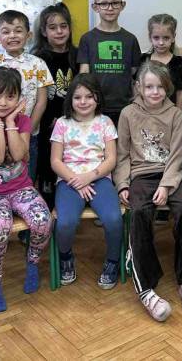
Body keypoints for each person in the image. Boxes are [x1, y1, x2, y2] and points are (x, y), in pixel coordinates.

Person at [116, 61, 182, 321]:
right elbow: (122, 154)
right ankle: (146, 288)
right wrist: (122, 184)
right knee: (139, 212)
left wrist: (166, 185)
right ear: (139, 87)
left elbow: (176, 155)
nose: (155, 92)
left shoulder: (174, 114)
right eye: (149, 87)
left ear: (167, 88)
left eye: (160, 87)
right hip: (140, 176)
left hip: (170, 174)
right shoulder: (128, 114)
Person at [0, 67, 52, 312]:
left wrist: (10, 123)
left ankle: (32, 263)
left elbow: (18, 154)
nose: (3, 103)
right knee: (0, 228)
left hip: (21, 188)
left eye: (10, 96)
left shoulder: (23, 122)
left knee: (43, 220)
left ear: (19, 99)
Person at [50, 74, 123, 289]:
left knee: (113, 219)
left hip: (99, 178)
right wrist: (76, 181)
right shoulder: (62, 123)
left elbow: (111, 159)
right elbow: (55, 161)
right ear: (70, 99)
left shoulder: (105, 122)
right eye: (77, 97)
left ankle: (113, 261)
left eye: (89, 96)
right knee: (65, 222)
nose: (83, 102)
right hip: (68, 180)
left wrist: (88, 177)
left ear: (97, 98)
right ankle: (65, 257)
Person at [0, 10, 53, 178]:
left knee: (25, 175)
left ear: (29, 35)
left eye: (18, 31)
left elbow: (41, 101)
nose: (12, 36)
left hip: (28, 133)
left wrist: (29, 129)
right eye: (6, 32)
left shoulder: (38, 64)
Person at [77, 0, 141, 126]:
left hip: (124, 107)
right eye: (104, 4)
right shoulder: (87, 39)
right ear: (95, 7)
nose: (110, 8)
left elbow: (134, 74)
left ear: (122, 5)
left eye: (115, 3)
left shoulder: (130, 39)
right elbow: (84, 74)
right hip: (95, 107)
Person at [34, 3, 79, 203]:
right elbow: (36, 97)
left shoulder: (78, 55)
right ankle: (47, 208)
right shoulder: (38, 59)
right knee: (47, 167)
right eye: (53, 28)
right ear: (44, 32)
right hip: (47, 126)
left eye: (63, 26)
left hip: (75, 122)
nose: (59, 31)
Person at [138, 14, 182, 112]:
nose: (161, 43)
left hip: (170, 115)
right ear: (150, 37)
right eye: (156, 38)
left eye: (166, 38)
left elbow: (181, 92)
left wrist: (178, 116)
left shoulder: (180, 63)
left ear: (173, 37)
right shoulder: (142, 60)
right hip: (146, 113)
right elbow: (137, 89)